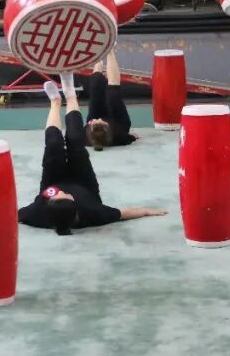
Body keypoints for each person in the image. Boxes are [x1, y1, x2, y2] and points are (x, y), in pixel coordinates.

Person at [18, 73, 166, 235]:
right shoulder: (93, 213)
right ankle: (70, 94)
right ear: (76, 209)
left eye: (56, 196)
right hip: (84, 182)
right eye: (65, 195)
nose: (61, 192)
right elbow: (123, 214)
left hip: (51, 181)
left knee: (53, 144)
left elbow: (10, 215)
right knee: (75, 139)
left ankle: (55, 102)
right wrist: (147, 211)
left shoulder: (36, 214)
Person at [85, 51, 137, 150]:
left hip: (97, 115)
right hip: (118, 121)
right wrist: (131, 136)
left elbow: (71, 138)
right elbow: (130, 138)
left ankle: (99, 54)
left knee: (96, 81)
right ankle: (110, 50)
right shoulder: (120, 136)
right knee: (113, 93)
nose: (98, 119)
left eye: (95, 122)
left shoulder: (85, 137)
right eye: (100, 121)